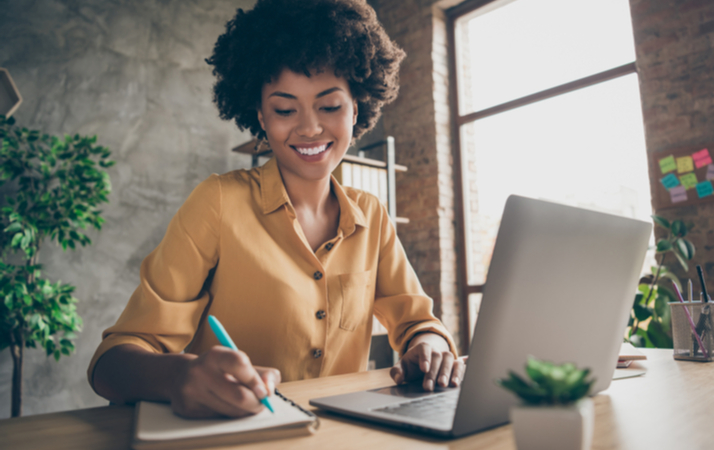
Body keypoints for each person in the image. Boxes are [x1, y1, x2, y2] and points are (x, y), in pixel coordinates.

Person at [88, 0, 463, 419]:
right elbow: (111, 365)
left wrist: (429, 348)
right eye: (285, 109)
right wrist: (178, 376)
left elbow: (417, 322)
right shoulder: (218, 204)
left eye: (330, 105)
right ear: (261, 117)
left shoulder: (370, 214)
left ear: (356, 108)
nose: (308, 127)